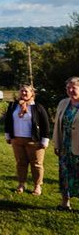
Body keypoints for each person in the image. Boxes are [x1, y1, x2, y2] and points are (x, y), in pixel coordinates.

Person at [4, 84, 50, 195]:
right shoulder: (13, 106)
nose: (24, 93)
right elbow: (8, 121)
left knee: (36, 164)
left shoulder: (37, 107)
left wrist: (45, 139)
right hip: (17, 139)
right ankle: (21, 184)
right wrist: (8, 135)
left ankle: (37, 186)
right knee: (20, 163)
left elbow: (45, 124)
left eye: (26, 91)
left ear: (32, 94)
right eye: (22, 91)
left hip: (34, 141)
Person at [52, 76, 79, 211]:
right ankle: (65, 203)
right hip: (65, 146)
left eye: (73, 87)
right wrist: (57, 144)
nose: (70, 90)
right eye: (68, 88)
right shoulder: (63, 103)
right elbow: (58, 124)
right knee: (65, 175)